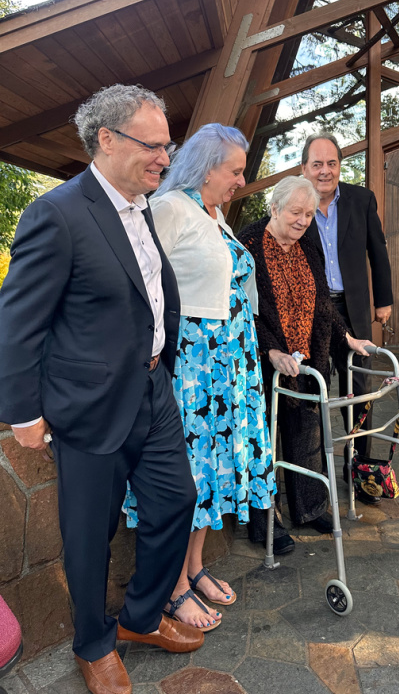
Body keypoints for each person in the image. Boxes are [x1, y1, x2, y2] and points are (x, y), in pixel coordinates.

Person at [0, 84, 205, 694]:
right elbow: (18, 323)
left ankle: (140, 617)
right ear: (107, 139)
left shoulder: (143, 206)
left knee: (177, 501)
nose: (165, 159)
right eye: (153, 145)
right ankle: (93, 643)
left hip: (153, 390)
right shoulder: (57, 213)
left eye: (168, 147)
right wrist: (22, 412)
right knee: (89, 535)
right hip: (88, 405)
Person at [123, 124, 275, 629]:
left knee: (211, 468)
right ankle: (172, 586)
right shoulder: (170, 208)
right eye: (235, 171)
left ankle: (193, 568)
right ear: (207, 169)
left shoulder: (215, 214)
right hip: (195, 365)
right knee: (187, 469)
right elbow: (137, 282)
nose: (241, 181)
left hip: (229, 363)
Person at [238, 176, 373, 554]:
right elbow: (245, 311)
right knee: (263, 443)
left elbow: (323, 303)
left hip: (307, 359)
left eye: (309, 214)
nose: (302, 220)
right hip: (266, 362)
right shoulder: (248, 245)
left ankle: (310, 507)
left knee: (308, 435)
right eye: (295, 212)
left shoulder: (308, 245)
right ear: (274, 208)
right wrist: (271, 351)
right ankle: (266, 521)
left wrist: (347, 338)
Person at [301, 133, 393, 504]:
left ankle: (359, 470)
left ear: (340, 165)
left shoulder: (361, 199)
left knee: (360, 393)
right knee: (313, 391)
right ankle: (314, 476)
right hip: (312, 315)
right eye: (317, 164)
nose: (325, 171)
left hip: (354, 311)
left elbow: (378, 251)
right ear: (304, 169)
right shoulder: (296, 202)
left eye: (332, 163)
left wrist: (383, 301)